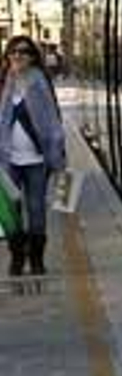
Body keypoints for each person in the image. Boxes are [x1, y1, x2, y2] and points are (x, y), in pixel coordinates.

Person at [0, 35, 66, 276]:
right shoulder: (1, 84)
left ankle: (37, 258)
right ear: (7, 57)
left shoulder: (40, 84)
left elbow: (53, 123)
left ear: (32, 57)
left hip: (36, 161)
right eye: (13, 52)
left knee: (36, 209)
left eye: (24, 52)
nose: (17, 55)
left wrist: (58, 157)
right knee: (10, 213)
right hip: (7, 161)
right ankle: (17, 257)